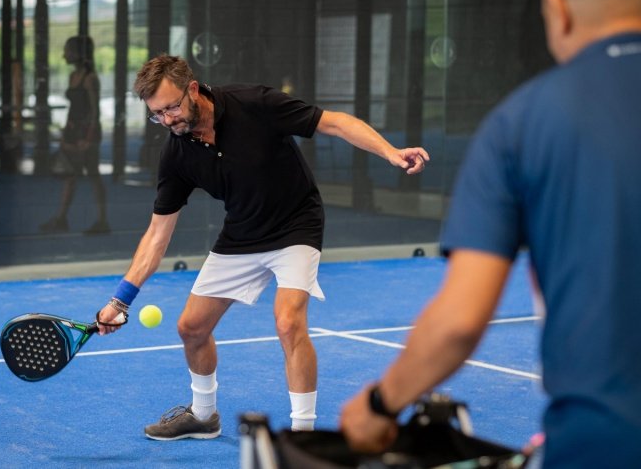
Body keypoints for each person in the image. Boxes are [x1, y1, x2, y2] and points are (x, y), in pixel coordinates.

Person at [339, 0, 641, 466]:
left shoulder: (523, 123)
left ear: (558, 8)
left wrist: (380, 405)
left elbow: (458, 322)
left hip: (603, 441)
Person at [96, 54, 430, 440]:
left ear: (193, 89)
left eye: (172, 107)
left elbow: (334, 123)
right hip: (242, 232)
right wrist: (120, 301)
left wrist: (390, 152)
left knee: (288, 322)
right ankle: (204, 416)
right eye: (157, 114)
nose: (168, 119)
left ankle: (303, 436)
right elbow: (157, 236)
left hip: (295, 224)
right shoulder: (177, 153)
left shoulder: (254, 103)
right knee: (191, 327)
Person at [40, 35, 110, 235]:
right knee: (71, 176)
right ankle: (62, 218)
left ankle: (102, 220)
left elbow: (95, 112)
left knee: (93, 175)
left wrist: (88, 138)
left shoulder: (90, 78)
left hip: (86, 133)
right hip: (73, 131)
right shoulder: (73, 77)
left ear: (79, 53)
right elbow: (74, 109)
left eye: (68, 51)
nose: (64, 55)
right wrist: (65, 133)